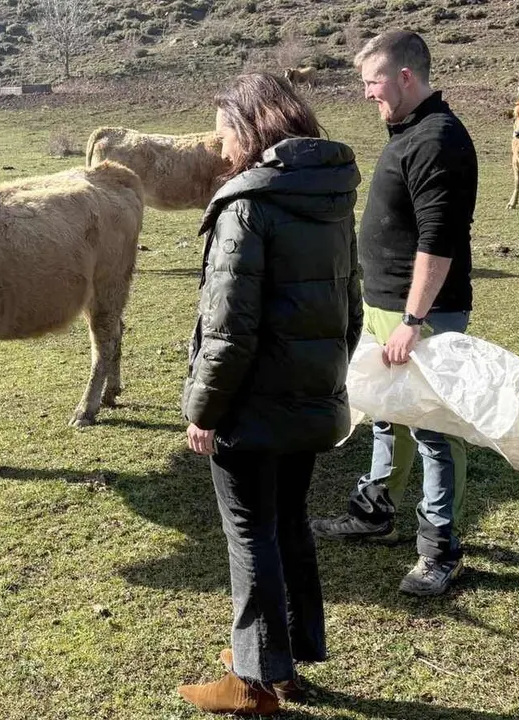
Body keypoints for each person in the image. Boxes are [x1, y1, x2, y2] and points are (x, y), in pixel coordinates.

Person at [177, 72, 362, 715]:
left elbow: (227, 332)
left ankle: (254, 681)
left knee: (249, 532)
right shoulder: (332, 198)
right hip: (312, 400)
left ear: (250, 128)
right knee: (288, 523)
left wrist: (204, 410)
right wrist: (322, 381)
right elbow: (351, 308)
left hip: (251, 408)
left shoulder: (246, 205)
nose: (218, 144)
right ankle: (287, 656)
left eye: (223, 129)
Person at [309, 30, 479, 597]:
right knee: (385, 412)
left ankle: (441, 552)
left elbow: (439, 238)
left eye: (372, 82)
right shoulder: (409, 131)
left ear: (406, 76)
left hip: (421, 314)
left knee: (434, 430)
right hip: (386, 305)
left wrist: (412, 320)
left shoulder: (438, 139)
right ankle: (374, 511)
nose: (366, 94)